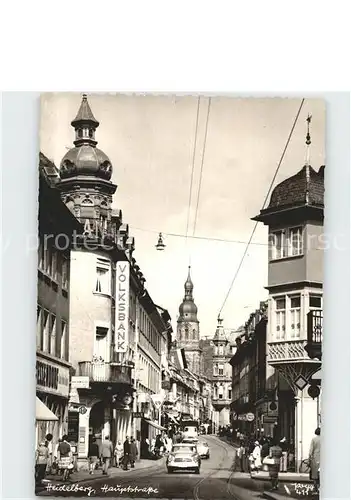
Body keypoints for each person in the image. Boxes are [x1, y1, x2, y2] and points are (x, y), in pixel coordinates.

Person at [309, 427, 321, 494]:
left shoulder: (314, 439)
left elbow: (311, 450)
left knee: (314, 475)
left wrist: (309, 458)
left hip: (315, 458)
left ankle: (316, 490)